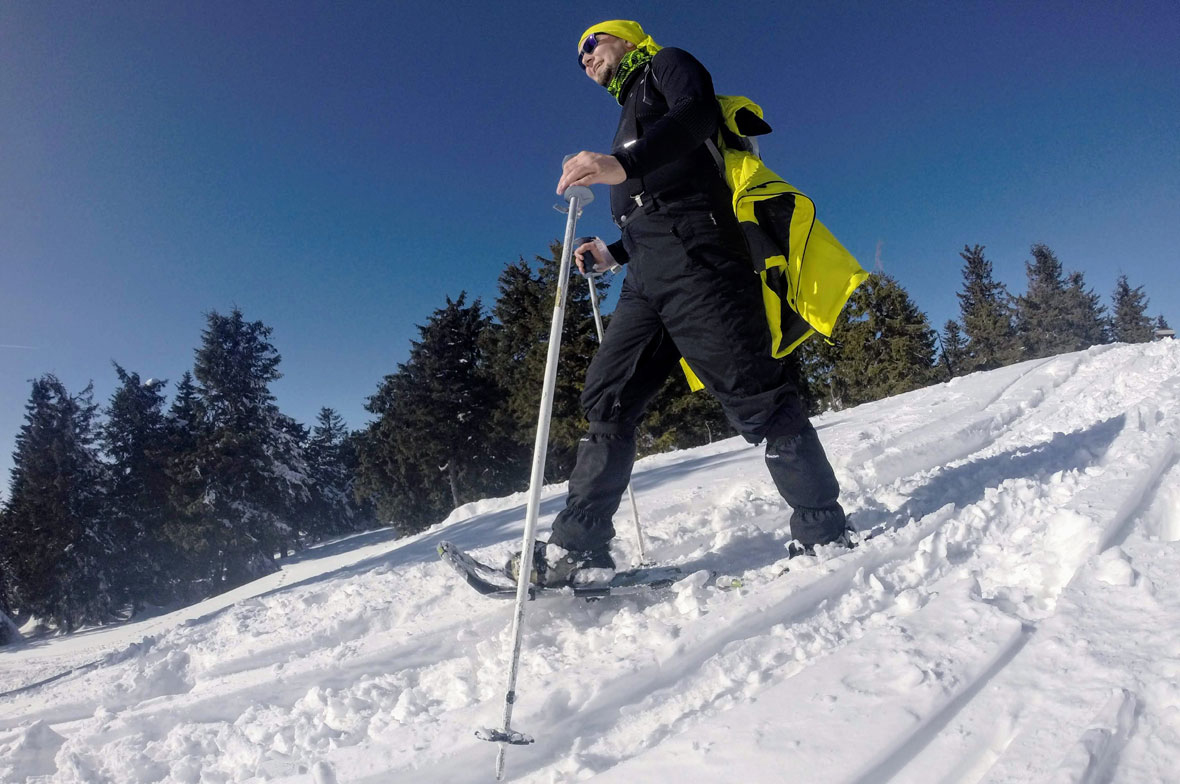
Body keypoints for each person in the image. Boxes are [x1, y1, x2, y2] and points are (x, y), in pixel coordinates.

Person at [514, 20, 849, 587]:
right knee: (608, 395)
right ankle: (579, 548)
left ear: (625, 37)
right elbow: (656, 199)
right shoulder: (629, 111)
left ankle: (824, 531)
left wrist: (622, 165)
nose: (585, 59)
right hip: (647, 268)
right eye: (578, 59)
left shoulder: (666, 64)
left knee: (753, 390)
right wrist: (613, 253)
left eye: (591, 44)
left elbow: (696, 117)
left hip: (700, 252)